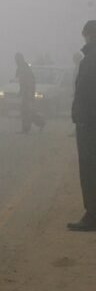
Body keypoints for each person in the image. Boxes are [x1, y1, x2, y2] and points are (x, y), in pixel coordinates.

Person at [69, 20, 96, 231]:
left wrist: (81, 117)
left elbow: (86, 93)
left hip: (90, 126)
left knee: (89, 169)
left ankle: (92, 217)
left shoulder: (90, 60)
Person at [15, 52, 45, 134]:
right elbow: (21, 81)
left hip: (28, 93)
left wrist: (29, 93)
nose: (16, 61)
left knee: (26, 111)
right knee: (26, 111)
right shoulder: (21, 67)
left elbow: (30, 82)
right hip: (26, 93)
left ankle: (27, 128)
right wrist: (21, 91)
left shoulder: (24, 68)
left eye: (17, 59)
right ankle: (40, 123)